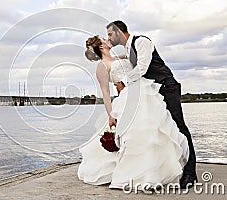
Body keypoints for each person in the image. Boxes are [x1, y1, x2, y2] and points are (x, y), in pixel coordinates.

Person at [78, 36, 189, 190]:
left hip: (145, 92)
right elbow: (105, 92)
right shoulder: (102, 66)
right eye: (104, 39)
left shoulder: (120, 56)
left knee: (152, 131)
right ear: (101, 46)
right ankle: (135, 172)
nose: (107, 40)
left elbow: (139, 62)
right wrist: (111, 115)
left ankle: (154, 171)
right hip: (127, 98)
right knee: (135, 135)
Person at [106, 20, 197, 188]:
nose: (109, 38)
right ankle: (169, 167)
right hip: (154, 91)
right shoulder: (128, 48)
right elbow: (127, 57)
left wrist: (124, 82)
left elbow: (143, 66)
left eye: (110, 34)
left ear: (119, 32)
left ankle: (191, 173)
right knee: (160, 129)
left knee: (178, 126)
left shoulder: (142, 41)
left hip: (167, 86)